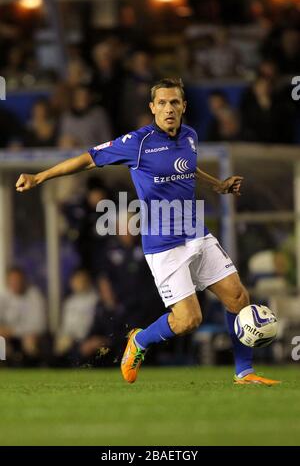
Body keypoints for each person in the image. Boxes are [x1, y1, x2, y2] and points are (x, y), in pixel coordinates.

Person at [15, 78, 280, 386]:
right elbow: (88, 159)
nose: (169, 108)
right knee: (188, 320)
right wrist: (39, 177)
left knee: (237, 296)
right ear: (152, 108)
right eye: (163, 103)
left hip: (196, 232)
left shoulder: (190, 136)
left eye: (175, 103)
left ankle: (244, 373)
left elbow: (187, 166)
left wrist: (217, 185)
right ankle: (139, 341)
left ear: (184, 107)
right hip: (164, 245)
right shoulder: (137, 142)